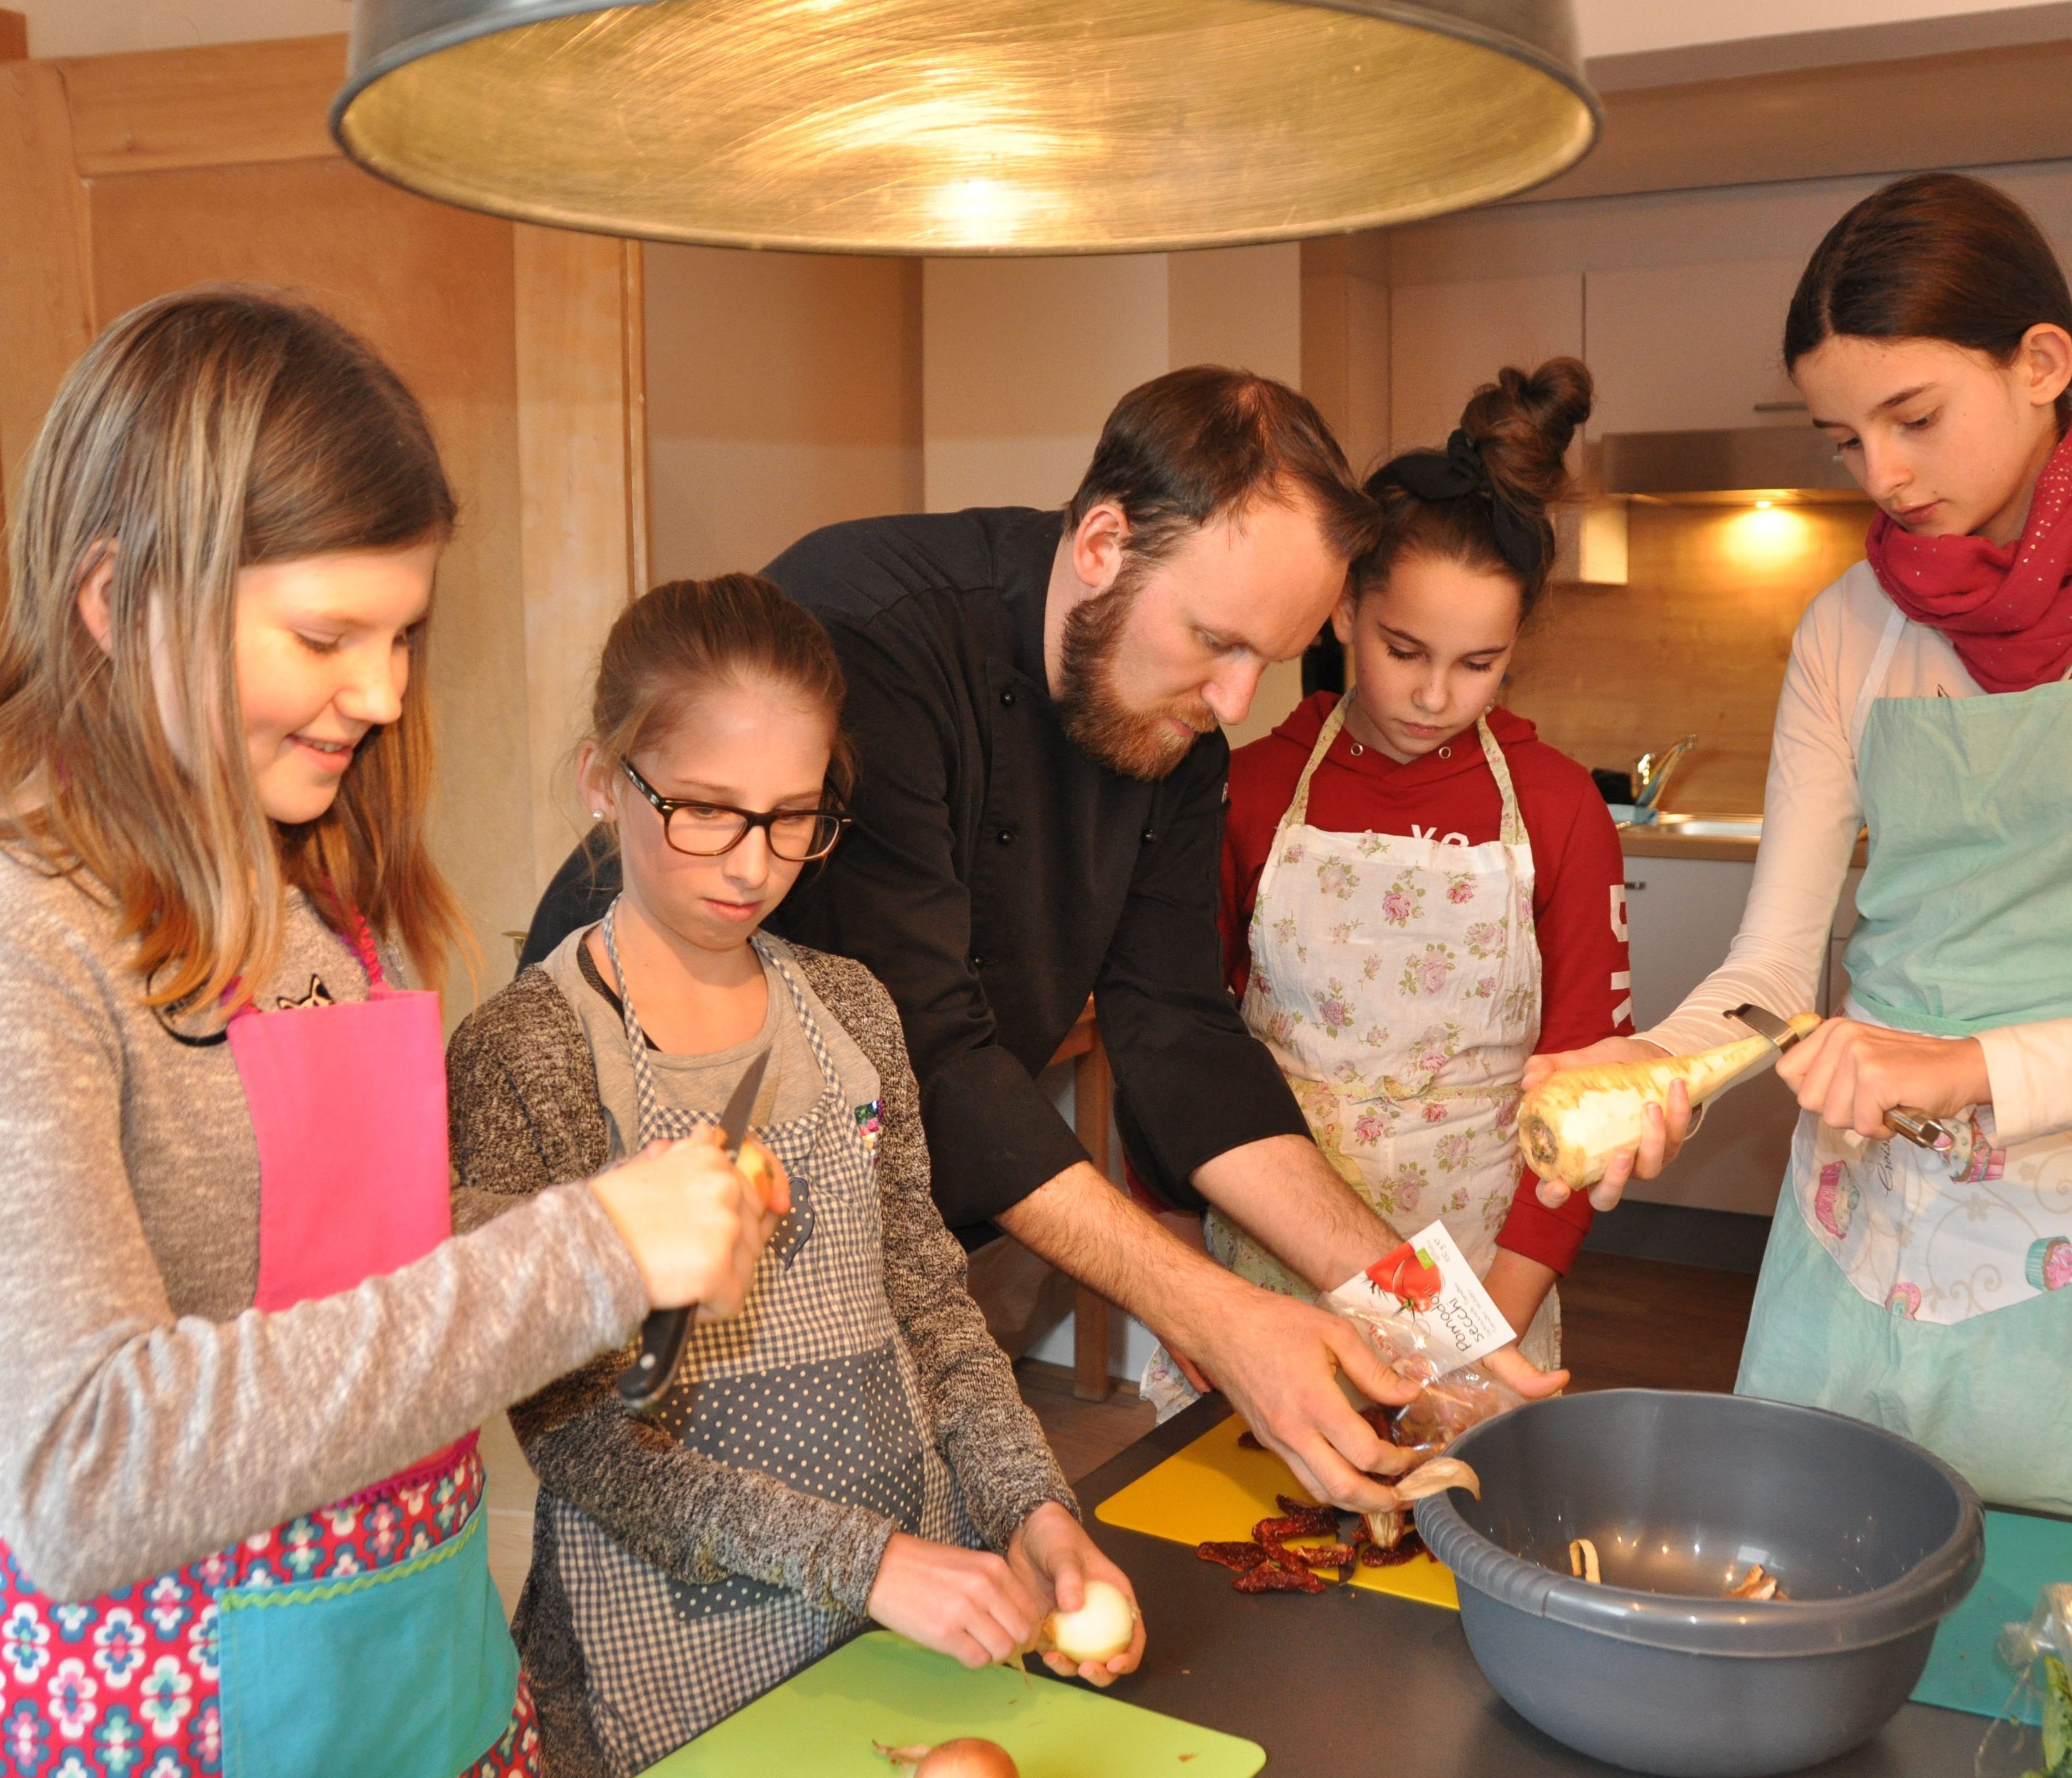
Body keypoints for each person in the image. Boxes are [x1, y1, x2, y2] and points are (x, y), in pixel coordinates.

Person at [526, 368, 1564, 1515]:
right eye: (1215, 642)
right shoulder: (872, 637)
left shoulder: (1181, 733)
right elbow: (929, 1046)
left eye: (1264, 661)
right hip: (659, 1153)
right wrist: (1213, 1314)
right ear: (1104, 543)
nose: (1232, 702)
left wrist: (1431, 1316)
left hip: (886, 1194)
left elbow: (1178, 1034)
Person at [0, 290, 774, 1778]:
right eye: (325, 634)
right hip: (184, 1725)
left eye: (404, 631)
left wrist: (610, 1221)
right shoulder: (34, 941)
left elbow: (340, 1258)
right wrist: (584, 1254)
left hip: (419, 1677)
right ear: (115, 601)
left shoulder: (311, 898)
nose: (384, 690)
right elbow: (81, 1465)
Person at [1529, 173, 2072, 1533]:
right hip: (1851, 1226)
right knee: (1797, 1575)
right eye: (1843, 437)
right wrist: (1661, 1059)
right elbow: (1769, 970)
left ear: (2043, 363)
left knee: (2040, 1639)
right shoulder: (1851, 627)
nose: (1882, 475)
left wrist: (1974, 1068)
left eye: (1912, 417)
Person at [448, 575, 1142, 1777]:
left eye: (795, 817)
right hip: (664, 1652)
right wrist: (866, 1562)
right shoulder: (527, 1051)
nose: (754, 864)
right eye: (707, 812)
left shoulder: (853, 1013)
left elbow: (929, 1308)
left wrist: (1034, 1512)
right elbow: (576, 1435)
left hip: (903, 1606)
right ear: (603, 785)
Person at [1214, 359, 1626, 1369]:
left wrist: (1486, 1323)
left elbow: (1584, 1101)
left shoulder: (1558, 806)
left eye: (1477, 664)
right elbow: (1179, 1049)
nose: (1436, 696)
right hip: (1270, 1281)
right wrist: (1189, 1282)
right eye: (1404, 650)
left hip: (1489, 1275)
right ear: (1344, 612)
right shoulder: (1248, 791)